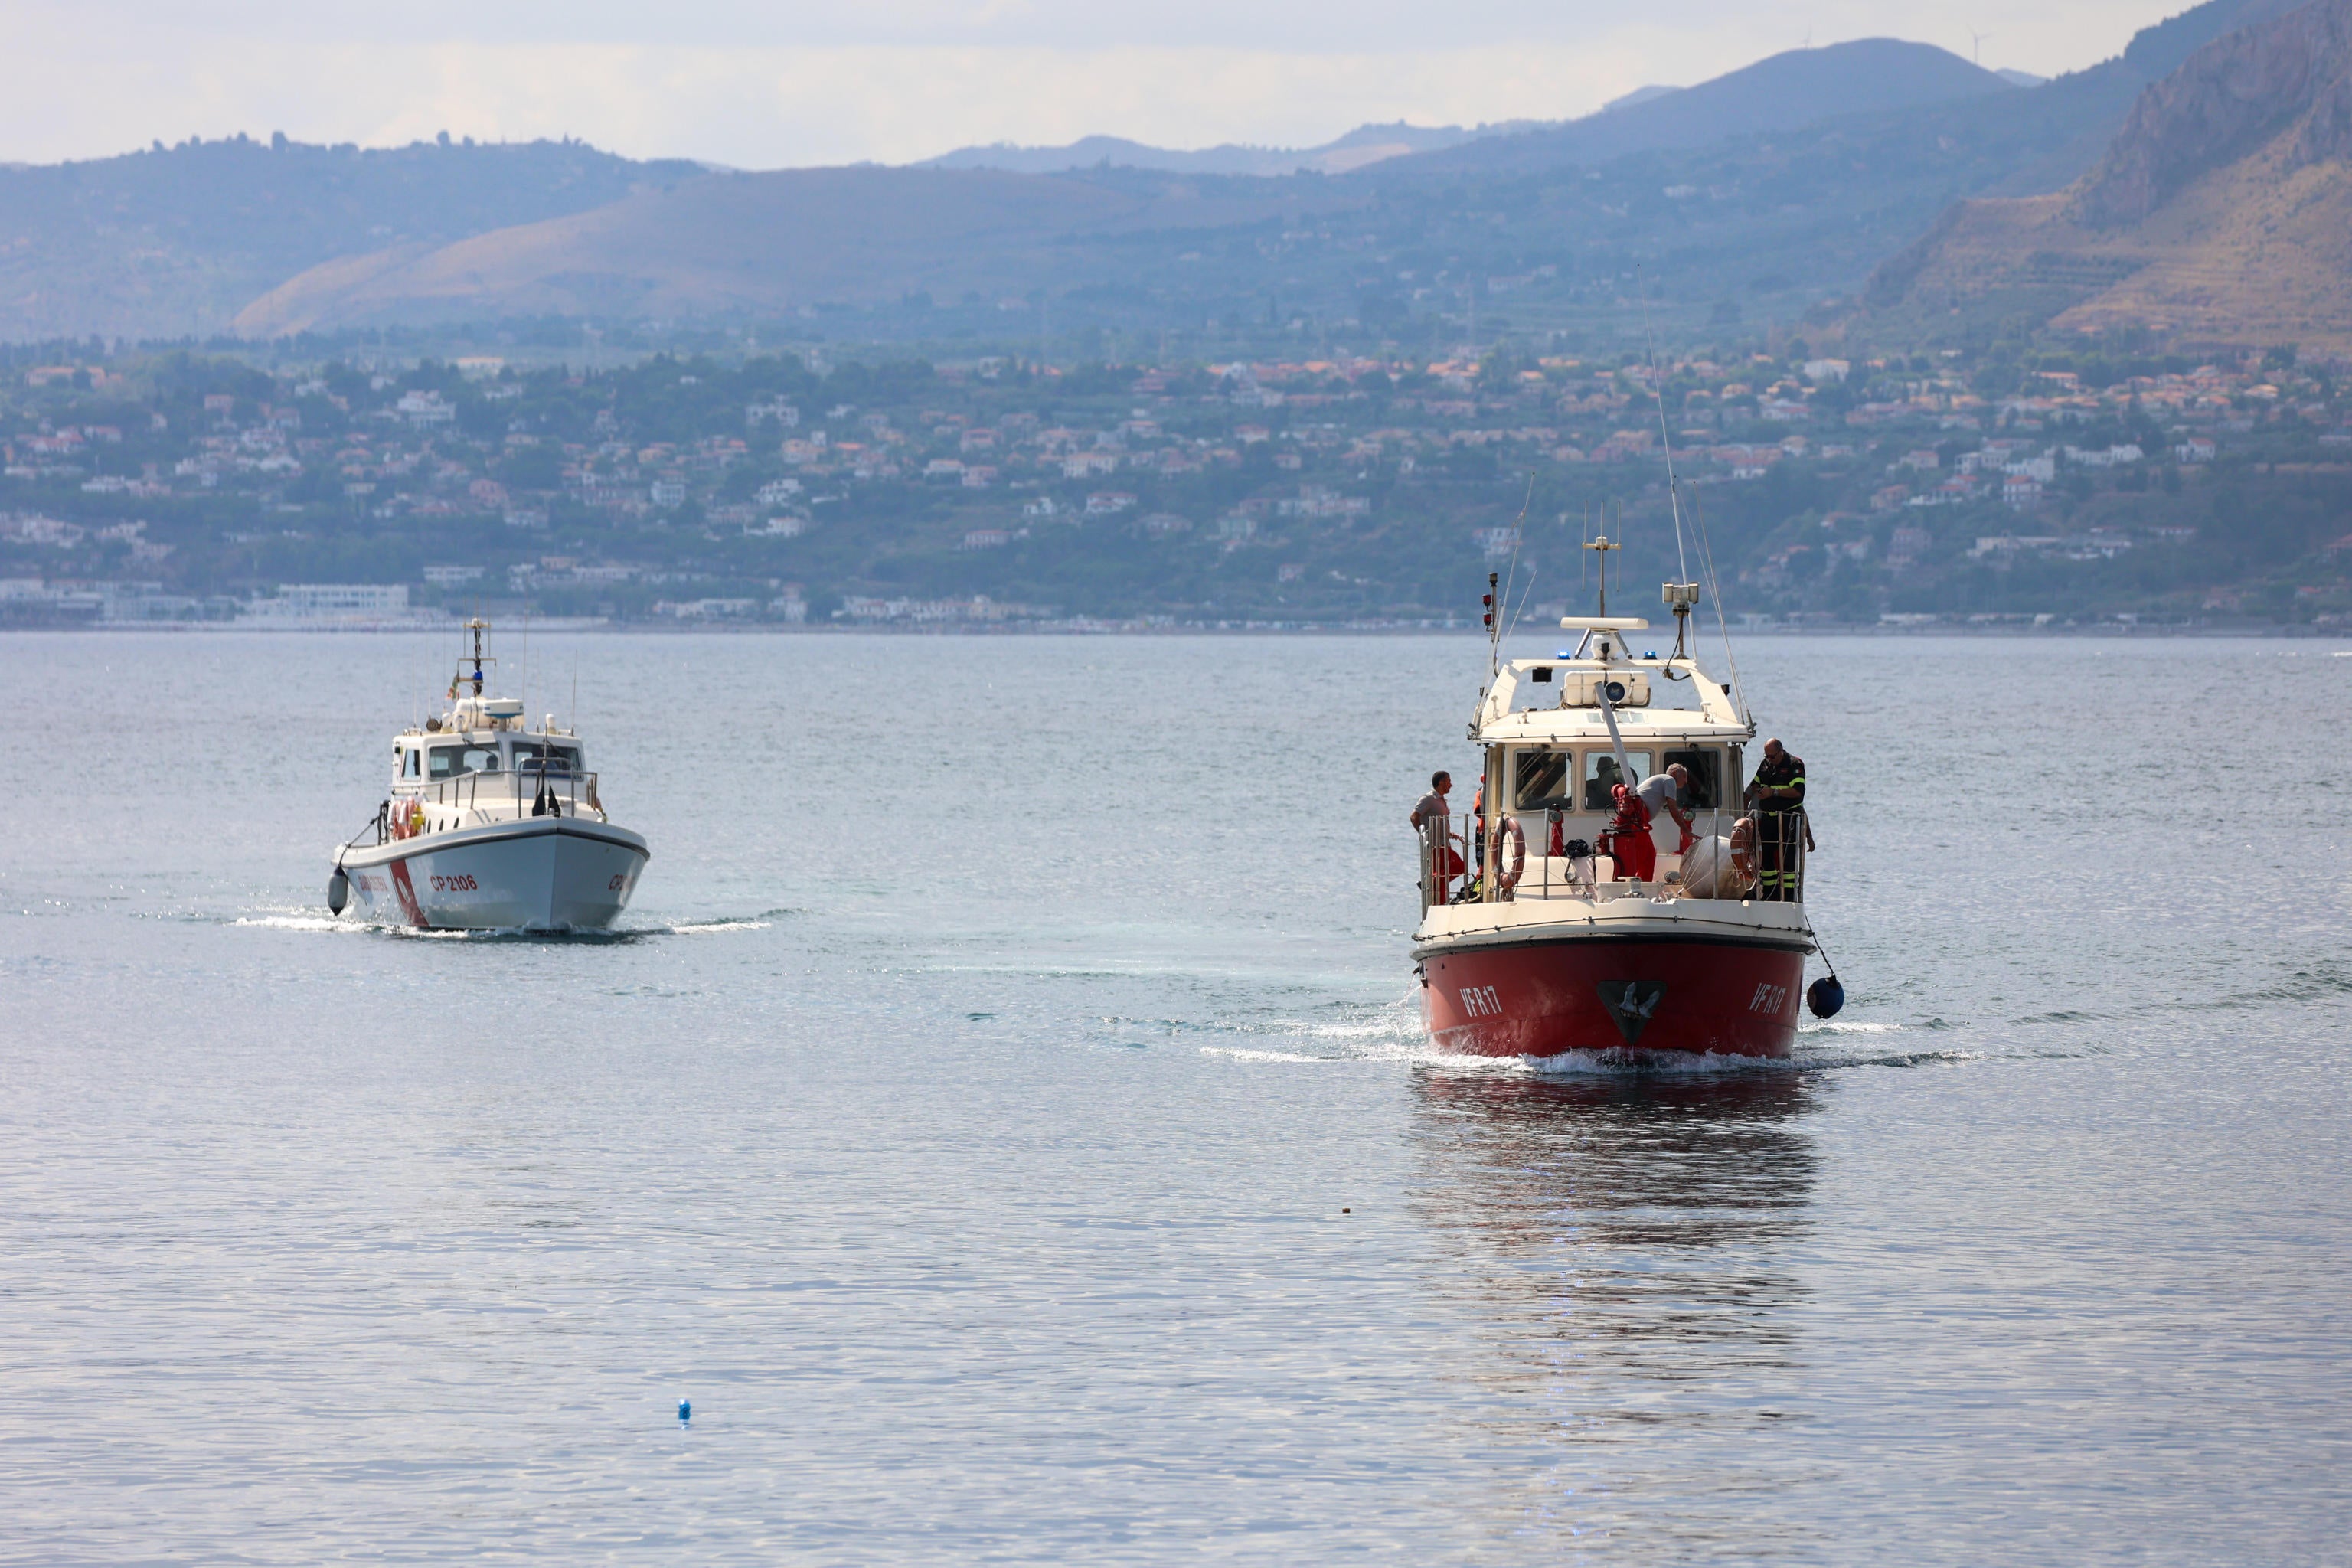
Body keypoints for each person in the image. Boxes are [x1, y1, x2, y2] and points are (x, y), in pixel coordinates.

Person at [1743, 738, 1808, 900]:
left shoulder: (1794, 765)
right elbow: (1755, 785)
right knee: (1765, 858)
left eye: (1772, 756)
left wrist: (1774, 792)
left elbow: (1798, 792)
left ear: (1781, 751)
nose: (1769, 759)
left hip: (1788, 818)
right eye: (1767, 756)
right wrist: (1755, 795)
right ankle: (1770, 894)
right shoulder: (1766, 764)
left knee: (1788, 860)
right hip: (1768, 818)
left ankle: (1788, 897)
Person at [1410, 770, 1465, 898]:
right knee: (1459, 866)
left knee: (1444, 874)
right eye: (1449, 782)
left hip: (1444, 844)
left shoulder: (1441, 800)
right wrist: (1424, 835)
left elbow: (1439, 822)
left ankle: (1436, 893)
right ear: (1441, 783)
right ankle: (1428, 882)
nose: (1451, 785)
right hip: (1435, 846)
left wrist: (1450, 834)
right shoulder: (1428, 798)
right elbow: (1414, 817)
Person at [1636, 764, 1696, 855]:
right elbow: (1673, 808)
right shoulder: (1670, 780)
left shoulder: (1663, 779)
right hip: (1639, 818)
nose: (1686, 781)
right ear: (1675, 773)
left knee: (1645, 854)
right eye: (1684, 776)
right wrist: (1686, 831)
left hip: (1637, 819)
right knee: (1648, 856)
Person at [1602, 781, 1655, 881]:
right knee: (1645, 859)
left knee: (1646, 858)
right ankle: (1641, 884)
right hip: (1637, 832)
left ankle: (1639, 884)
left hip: (1635, 832)